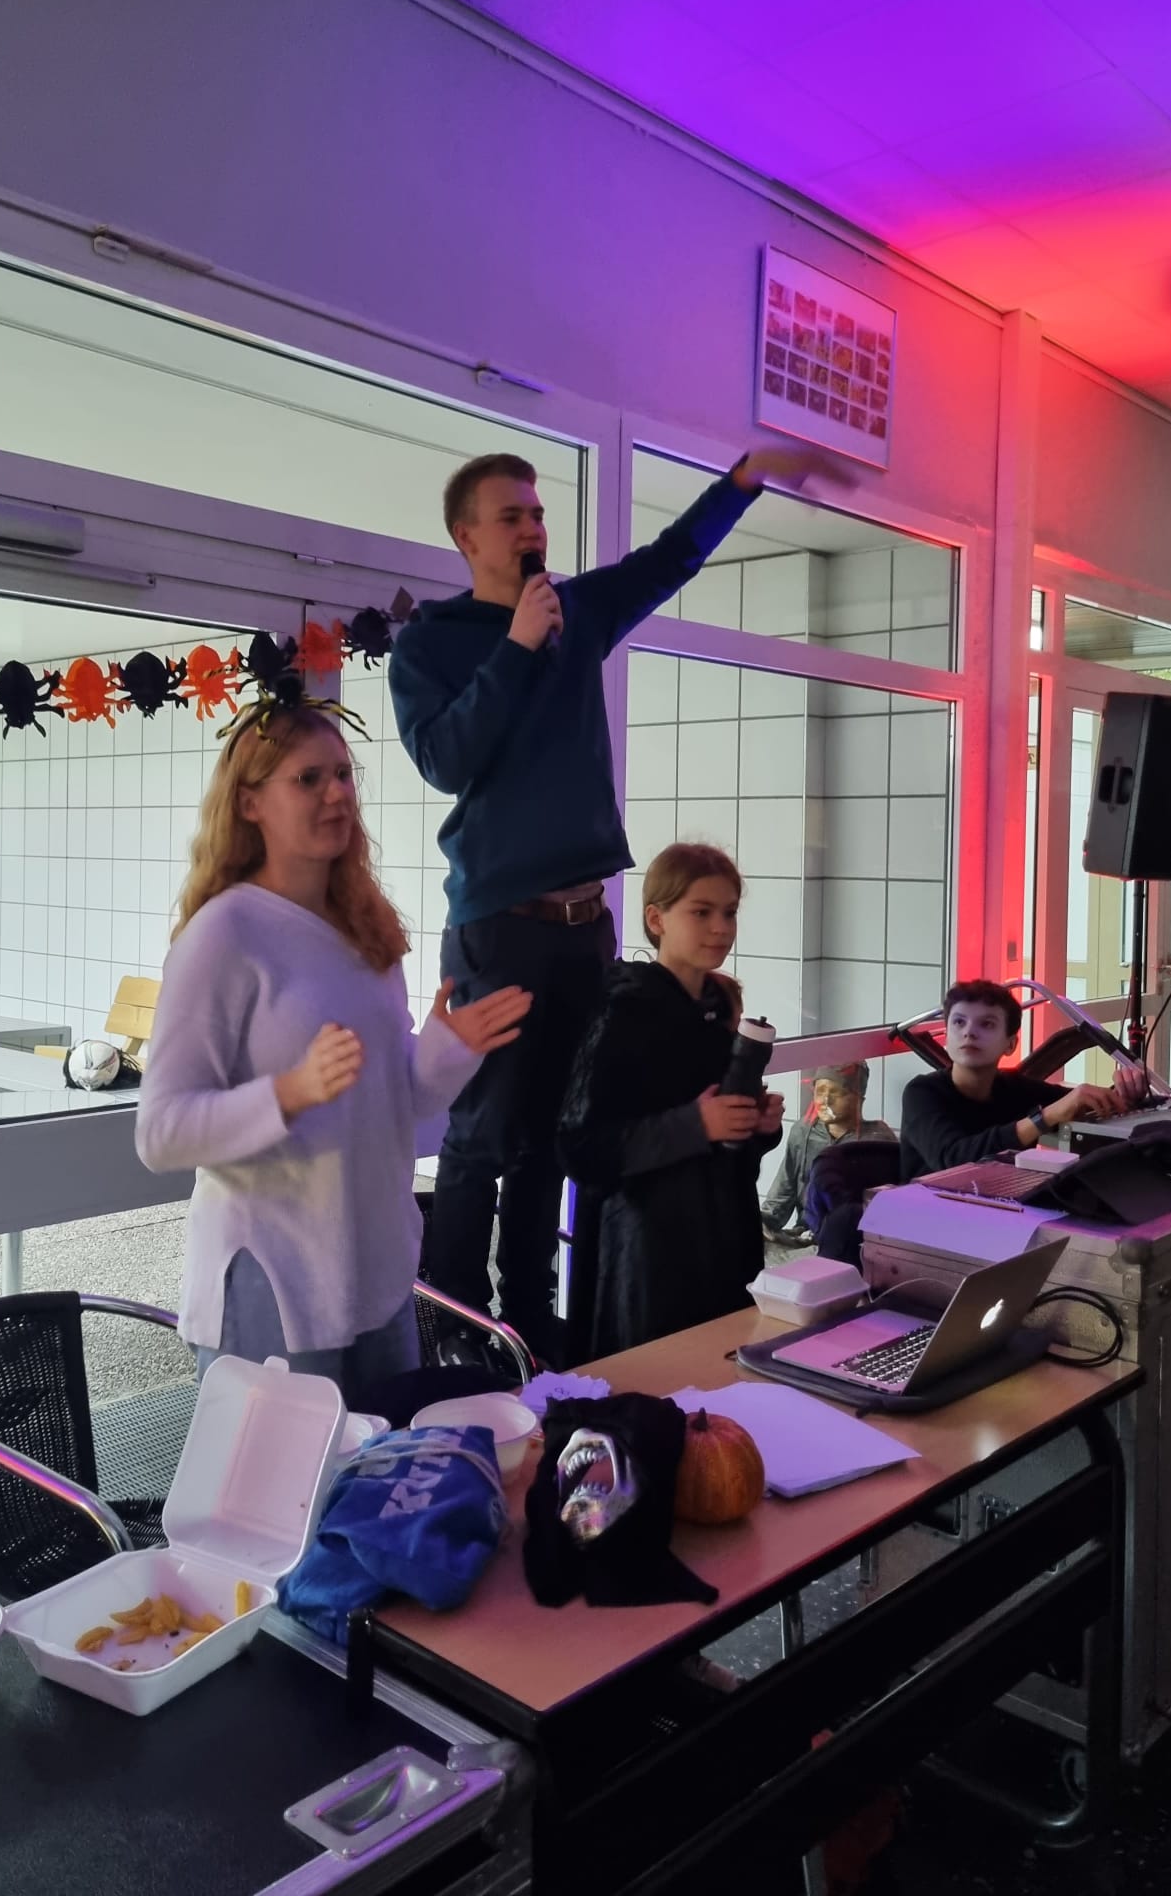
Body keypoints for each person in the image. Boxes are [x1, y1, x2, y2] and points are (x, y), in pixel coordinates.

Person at [389, 443, 843, 1358]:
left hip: (584, 927)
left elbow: (668, 559)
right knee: (485, 1138)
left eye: (538, 512)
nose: (533, 528)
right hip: (500, 928)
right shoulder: (431, 643)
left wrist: (743, 480)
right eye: (512, 516)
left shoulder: (577, 614)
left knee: (555, 1136)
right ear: (466, 537)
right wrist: (516, 648)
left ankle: (530, 1334)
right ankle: (456, 1337)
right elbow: (444, 761)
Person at [134, 701, 531, 1411]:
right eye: (308, 779)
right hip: (272, 1282)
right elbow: (161, 1133)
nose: (337, 794)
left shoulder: (364, 927)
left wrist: (446, 1052)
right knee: (287, 1485)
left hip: (376, 1275)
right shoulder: (224, 935)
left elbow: (391, 1104)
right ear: (250, 803)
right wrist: (288, 1092)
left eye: (344, 774)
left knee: (380, 1475)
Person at [557, 843, 785, 1358]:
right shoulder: (622, 1012)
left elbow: (727, 1153)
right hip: (647, 1257)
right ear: (656, 919)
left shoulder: (717, 1011)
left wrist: (755, 1127)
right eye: (701, 912)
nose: (721, 928)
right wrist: (697, 1124)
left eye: (729, 912)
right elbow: (580, 1148)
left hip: (723, 1241)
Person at [899, 979, 1142, 1182]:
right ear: (946, 1036)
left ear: (1010, 1044)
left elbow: (1078, 1103)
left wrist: (1125, 1094)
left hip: (996, 1207)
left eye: (987, 1024)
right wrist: (1044, 1118)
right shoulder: (921, 1092)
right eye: (959, 1022)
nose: (969, 1032)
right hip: (922, 1215)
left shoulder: (1013, 1088)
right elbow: (953, 1159)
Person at [760, 1061, 897, 1247]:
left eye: (836, 1092)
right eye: (820, 1091)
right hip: (804, 1235)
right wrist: (764, 1222)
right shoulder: (802, 1132)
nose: (826, 1100)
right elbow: (783, 1193)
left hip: (851, 1240)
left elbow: (883, 1213)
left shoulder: (877, 1141)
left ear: (858, 1098)